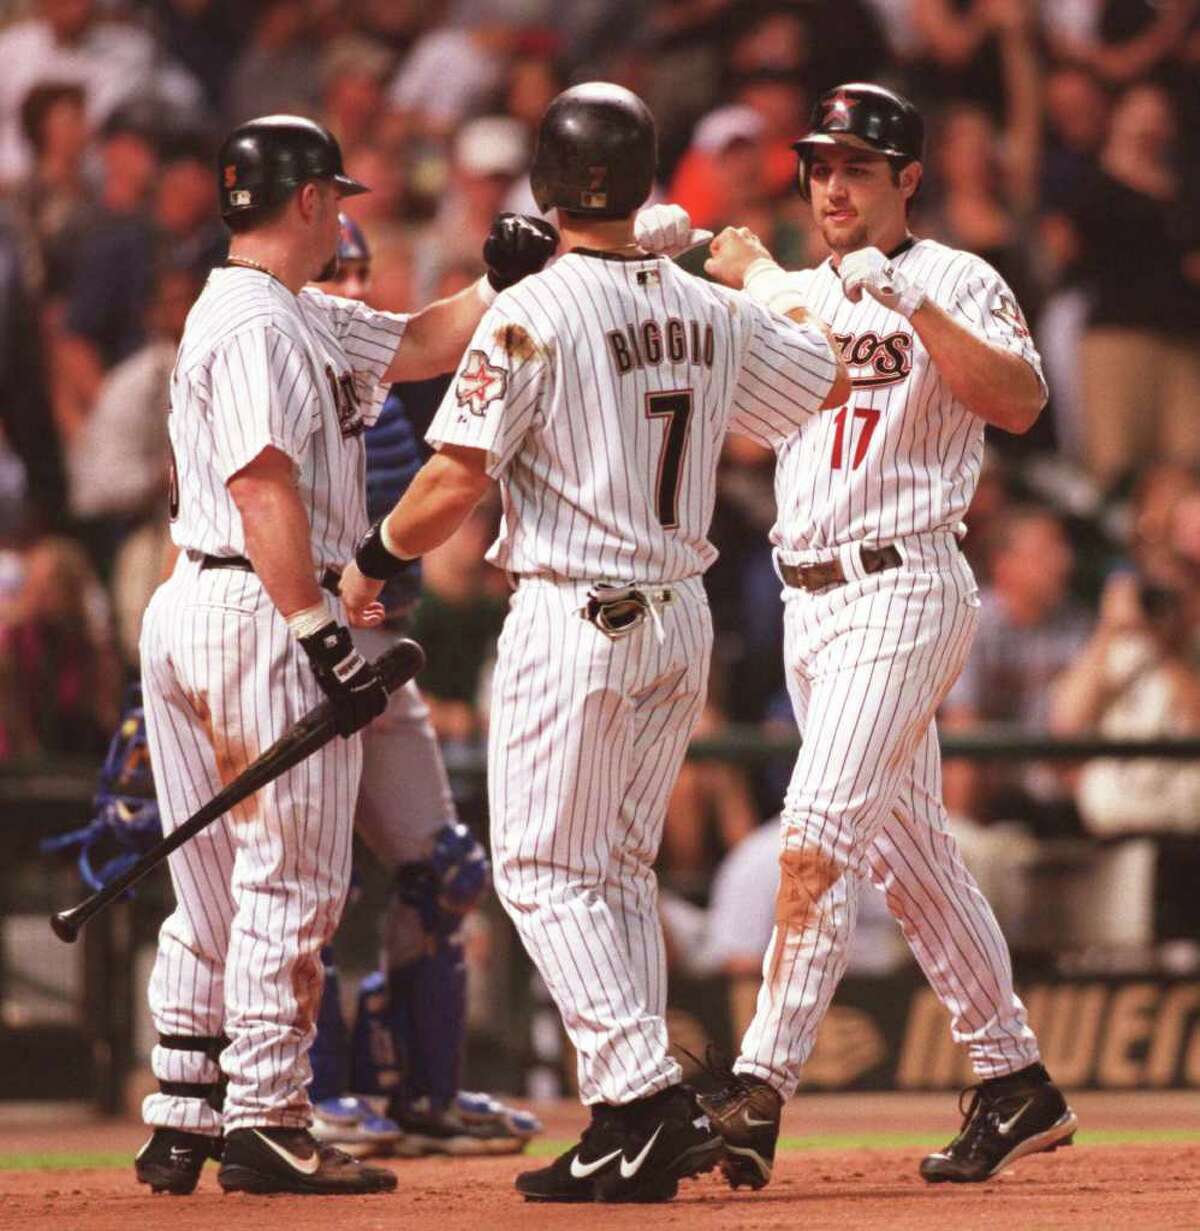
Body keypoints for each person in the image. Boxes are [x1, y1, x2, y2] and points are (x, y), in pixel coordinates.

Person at [339, 81, 850, 1204]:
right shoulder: (706, 307)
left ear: (546, 181)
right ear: (645, 173)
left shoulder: (531, 307)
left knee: (539, 867)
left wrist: (372, 562)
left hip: (577, 614)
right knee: (614, 869)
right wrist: (696, 270)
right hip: (679, 618)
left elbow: (450, 478)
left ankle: (640, 1098)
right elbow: (822, 381)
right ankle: (632, 1115)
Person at [133, 114, 555, 1197]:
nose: (346, 211)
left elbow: (421, 341)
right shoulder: (260, 324)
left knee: (216, 891)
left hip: (203, 602)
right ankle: (270, 1117)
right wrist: (317, 629)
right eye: (339, 195)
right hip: (261, 603)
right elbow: (261, 485)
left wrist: (498, 280)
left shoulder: (290, 310)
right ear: (311, 200)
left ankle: (186, 1111)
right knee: (294, 880)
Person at [695, 82, 1077, 1189]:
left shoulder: (953, 275)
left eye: (856, 167)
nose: (832, 185)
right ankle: (1015, 1080)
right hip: (809, 603)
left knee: (815, 830)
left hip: (905, 586)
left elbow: (1017, 401)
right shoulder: (796, 292)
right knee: (911, 861)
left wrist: (906, 299)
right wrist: (741, 297)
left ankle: (759, 1087)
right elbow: (747, 419)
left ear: (906, 178)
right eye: (820, 166)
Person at [306, 214, 541, 1157]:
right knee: (306, 884)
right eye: (335, 272)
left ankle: (423, 1098)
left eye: (363, 271)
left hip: (377, 646)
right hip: (287, 647)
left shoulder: (383, 389)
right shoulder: (254, 365)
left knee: (445, 869)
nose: (354, 289)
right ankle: (307, 1095)